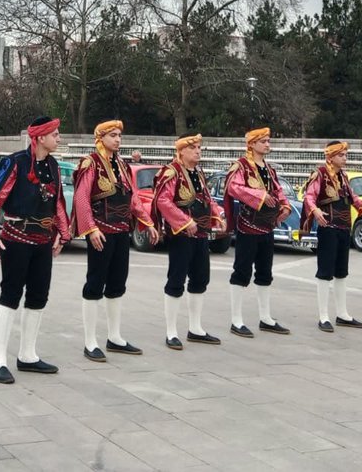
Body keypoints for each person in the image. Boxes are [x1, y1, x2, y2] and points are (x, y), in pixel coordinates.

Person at [0, 117, 70, 384]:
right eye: (55, 134)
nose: (59, 138)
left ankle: (28, 355)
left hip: (43, 241)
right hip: (16, 239)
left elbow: (57, 202)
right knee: (10, 294)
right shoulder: (15, 162)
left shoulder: (53, 165)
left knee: (39, 295)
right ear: (40, 138)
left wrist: (63, 233)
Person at [72, 120, 159, 361]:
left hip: (121, 232)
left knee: (118, 283)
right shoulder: (91, 163)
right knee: (95, 283)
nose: (118, 139)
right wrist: (90, 229)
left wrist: (148, 222)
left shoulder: (122, 164)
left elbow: (132, 200)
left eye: (119, 135)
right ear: (100, 138)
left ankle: (114, 337)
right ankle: (90, 342)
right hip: (101, 232)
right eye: (113, 135)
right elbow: (81, 198)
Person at [153, 134, 226, 349]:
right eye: (193, 147)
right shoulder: (171, 172)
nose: (198, 151)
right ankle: (171, 332)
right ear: (181, 150)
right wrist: (184, 221)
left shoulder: (198, 172)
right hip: (181, 235)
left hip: (201, 233)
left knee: (200, 279)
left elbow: (207, 199)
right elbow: (163, 201)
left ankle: (195, 328)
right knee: (176, 279)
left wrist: (218, 215)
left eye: (199, 147)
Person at [300, 141, 362, 331]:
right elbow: (309, 197)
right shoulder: (320, 174)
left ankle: (342, 314)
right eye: (341, 155)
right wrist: (315, 210)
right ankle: (323, 316)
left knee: (341, 272)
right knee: (325, 272)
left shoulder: (343, 176)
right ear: (330, 156)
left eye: (345, 155)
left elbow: (354, 198)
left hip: (344, 228)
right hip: (328, 228)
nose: (345, 158)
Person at [224, 128, 292, 337]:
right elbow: (233, 187)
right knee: (242, 271)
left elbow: (278, 190)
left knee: (265, 272)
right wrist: (260, 195)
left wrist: (285, 207)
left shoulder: (269, 169)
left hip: (267, 226)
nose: (267, 144)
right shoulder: (241, 166)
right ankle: (236, 320)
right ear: (252, 144)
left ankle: (265, 318)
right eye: (263, 141)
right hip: (248, 226)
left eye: (268, 141)